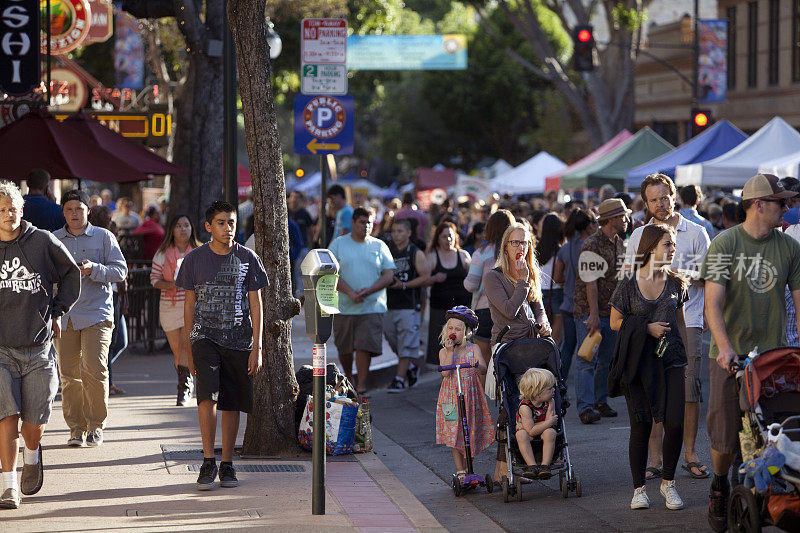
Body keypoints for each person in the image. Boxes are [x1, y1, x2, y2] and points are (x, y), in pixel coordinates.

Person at [699, 174, 800, 531]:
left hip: (772, 357)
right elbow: (713, 304)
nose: (787, 208)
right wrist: (725, 348)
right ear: (758, 204)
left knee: (773, 430)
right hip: (729, 354)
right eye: (781, 202)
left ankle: (769, 493)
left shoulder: (789, 247)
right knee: (726, 438)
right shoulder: (725, 243)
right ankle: (719, 482)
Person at [176, 201, 269, 491]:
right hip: (205, 338)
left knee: (232, 403)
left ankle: (227, 463)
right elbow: (189, 305)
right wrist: (188, 348)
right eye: (221, 222)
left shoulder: (249, 258)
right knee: (207, 398)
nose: (227, 228)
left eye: (231, 222)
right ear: (208, 227)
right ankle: (208, 460)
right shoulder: (194, 260)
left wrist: (258, 346)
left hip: (240, 340)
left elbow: (256, 303)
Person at [625, 175, 711, 481]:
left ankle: (690, 453)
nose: (660, 204)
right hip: (650, 323)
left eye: (665, 197)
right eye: (653, 200)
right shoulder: (639, 236)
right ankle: (656, 458)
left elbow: (709, 276)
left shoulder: (696, 231)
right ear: (645, 203)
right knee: (653, 391)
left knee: (690, 390)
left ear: (673, 196)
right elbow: (630, 278)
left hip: (689, 318)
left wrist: (673, 273)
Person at [0, 182, 80, 510]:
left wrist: (57, 312)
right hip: (1, 350)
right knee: (7, 416)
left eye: (13, 208)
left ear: (22, 208)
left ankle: (32, 454)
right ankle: (8, 485)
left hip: (38, 349)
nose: (8, 214)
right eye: (2, 209)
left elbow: (72, 275)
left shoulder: (41, 242)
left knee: (33, 423)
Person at [610, 224, 689, 511]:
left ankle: (669, 483)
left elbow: (680, 324)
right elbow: (614, 322)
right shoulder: (629, 284)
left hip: (672, 361)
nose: (672, 249)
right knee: (641, 426)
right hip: (639, 365)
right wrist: (646, 327)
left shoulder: (676, 282)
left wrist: (687, 360)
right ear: (651, 247)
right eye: (667, 244)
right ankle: (639, 490)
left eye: (673, 244)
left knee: (676, 423)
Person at [53, 190, 128, 448]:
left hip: (97, 313)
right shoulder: (54, 239)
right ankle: (76, 428)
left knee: (95, 370)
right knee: (69, 375)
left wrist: (94, 269)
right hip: (65, 316)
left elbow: (120, 271)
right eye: (69, 209)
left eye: (79, 209)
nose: (74, 214)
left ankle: (96, 426)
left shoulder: (103, 237)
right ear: (63, 212)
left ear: (88, 211)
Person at [484, 222, 552, 482]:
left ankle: (511, 467)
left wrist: (543, 323)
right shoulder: (494, 276)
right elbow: (508, 311)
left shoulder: (531, 272)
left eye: (524, 242)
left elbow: (539, 307)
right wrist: (522, 281)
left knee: (539, 399)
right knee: (511, 404)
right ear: (505, 246)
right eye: (515, 242)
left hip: (533, 346)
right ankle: (506, 468)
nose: (520, 247)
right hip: (508, 347)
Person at [572, 198, 629, 424]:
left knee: (606, 360)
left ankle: (600, 401)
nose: (626, 220)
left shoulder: (618, 241)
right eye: (623, 216)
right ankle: (585, 408)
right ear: (613, 219)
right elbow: (590, 283)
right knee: (586, 359)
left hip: (611, 311)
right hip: (589, 312)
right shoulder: (590, 245)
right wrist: (593, 315)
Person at [328, 207, 396, 395]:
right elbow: (329, 273)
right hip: (344, 306)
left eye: (369, 223)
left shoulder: (379, 245)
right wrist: (350, 292)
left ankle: (362, 385)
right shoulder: (338, 244)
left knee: (364, 346)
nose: (366, 226)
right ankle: (349, 377)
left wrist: (369, 290)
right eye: (362, 222)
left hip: (371, 306)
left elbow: (388, 274)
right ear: (353, 222)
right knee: (345, 348)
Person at [435, 306, 493, 482]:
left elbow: (483, 369)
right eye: (451, 328)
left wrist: (477, 365)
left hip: (471, 397)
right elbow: (445, 372)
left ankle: (469, 469)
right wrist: (451, 351)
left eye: (458, 329)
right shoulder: (444, 351)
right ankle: (460, 471)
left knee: (471, 433)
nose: (453, 332)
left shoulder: (473, 349)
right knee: (455, 433)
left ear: (466, 332)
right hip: (451, 399)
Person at [151, 215, 203, 406]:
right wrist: (172, 284)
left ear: (192, 229)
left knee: (185, 346)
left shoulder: (199, 251)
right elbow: (154, 280)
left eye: (186, 225)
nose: (182, 229)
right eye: (178, 225)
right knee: (177, 351)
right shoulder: (162, 253)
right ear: (172, 230)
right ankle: (186, 382)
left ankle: (184, 389)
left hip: (192, 307)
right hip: (169, 307)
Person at [464, 209, 515, 372]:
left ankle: (484, 397)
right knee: (509, 359)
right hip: (512, 310)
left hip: (485, 309)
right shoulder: (516, 252)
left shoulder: (482, 253)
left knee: (484, 362)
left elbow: (471, 285)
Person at [383, 218, 430, 392]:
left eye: (400, 231)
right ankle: (411, 367)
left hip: (409, 304)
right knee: (390, 337)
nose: (396, 234)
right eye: (394, 231)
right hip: (389, 304)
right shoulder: (387, 251)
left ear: (409, 233)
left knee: (407, 342)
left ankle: (399, 379)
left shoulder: (415, 252)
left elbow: (425, 276)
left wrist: (404, 285)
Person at [553, 209, 598, 381]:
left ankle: (560, 384)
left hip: (567, 304)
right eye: (594, 222)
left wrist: (569, 280)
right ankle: (590, 391)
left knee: (568, 347)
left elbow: (557, 278)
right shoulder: (592, 246)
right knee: (589, 351)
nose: (596, 225)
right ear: (588, 226)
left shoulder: (564, 249)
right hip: (588, 306)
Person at [425, 221, 472, 364]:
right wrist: (433, 278)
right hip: (440, 307)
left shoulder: (463, 255)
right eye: (444, 237)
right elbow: (423, 280)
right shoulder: (432, 256)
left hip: (462, 308)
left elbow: (473, 280)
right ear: (438, 239)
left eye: (451, 236)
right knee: (439, 340)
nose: (448, 240)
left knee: (463, 340)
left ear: (456, 237)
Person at [515, 368, 558, 480]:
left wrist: (547, 423)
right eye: (550, 389)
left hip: (541, 430)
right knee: (521, 434)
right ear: (538, 393)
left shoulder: (550, 401)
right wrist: (548, 422)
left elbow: (550, 424)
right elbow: (531, 431)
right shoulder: (525, 407)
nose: (554, 390)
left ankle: (545, 466)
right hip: (529, 433)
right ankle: (532, 466)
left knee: (551, 432)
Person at [536, 213, 565, 346]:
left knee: (541, 334)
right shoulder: (560, 251)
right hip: (557, 293)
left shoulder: (536, 249)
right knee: (556, 338)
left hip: (538, 293)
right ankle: (552, 362)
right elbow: (559, 278)